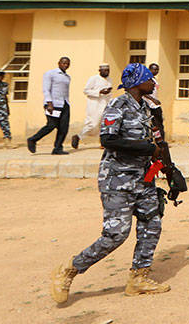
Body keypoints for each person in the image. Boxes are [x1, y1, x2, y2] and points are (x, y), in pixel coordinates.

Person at [50, 63, 170, 304]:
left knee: (152, 222)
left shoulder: (147, 107)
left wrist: (170, 170)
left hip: (142, 179)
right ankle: (69, 270)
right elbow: (108, 139)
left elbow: (158, 142)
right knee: (116, 234)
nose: (153, 83)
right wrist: (147, 148)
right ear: (137, 83)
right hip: (117, 179)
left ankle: (139, 278)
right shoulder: (118, 105)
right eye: (149, 80)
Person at [27, 57, 72, 155]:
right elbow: (46, 89)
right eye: (64, 63)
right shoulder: (50, 74)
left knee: (64, 128)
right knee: (51, 125)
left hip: (65, 103)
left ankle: (58, 148)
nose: (65, 65)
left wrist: (67, 104)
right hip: (53, 104)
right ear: (59, 63)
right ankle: (32, 139)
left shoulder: (67, 76)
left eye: (67, 64)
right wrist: (49, 103)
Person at [72, 64, 113, 149]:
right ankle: (78, 137)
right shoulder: (93, 79)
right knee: (93, 124)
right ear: (100, 71)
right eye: (105, 70)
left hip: (105, 104)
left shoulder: (109, 80)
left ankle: (103, 142)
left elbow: (109, 93)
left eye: (108, 70)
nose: (107, 72)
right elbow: (86, 91)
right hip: (94, 105)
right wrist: (99, 92)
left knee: (105, 124)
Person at [143, 63, 164, 138]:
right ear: (149, 70)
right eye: (154, 69)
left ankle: (160, 140)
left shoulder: (154, 79)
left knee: (159, 124)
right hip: (148, 105)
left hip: (155, 105)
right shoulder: (146, 79)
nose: (156, 71)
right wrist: (153, 99)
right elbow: (143, 92)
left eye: (157, 69)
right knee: (152, 124)